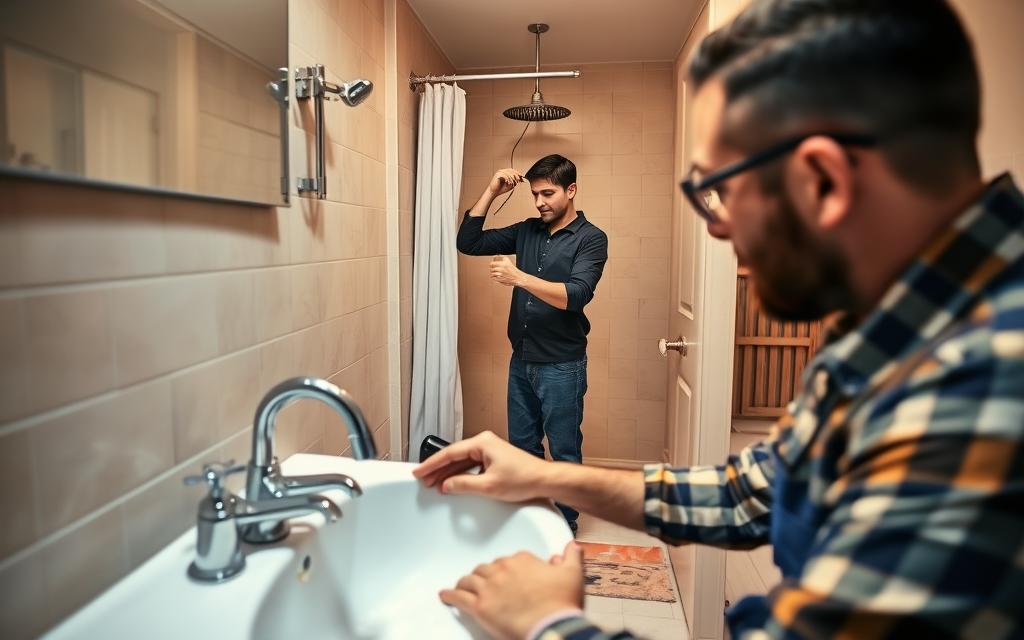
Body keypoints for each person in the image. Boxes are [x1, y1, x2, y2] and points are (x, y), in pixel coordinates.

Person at [417, 0, 1024, 638]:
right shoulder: (896, 332)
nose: (720, 226)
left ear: (824, 177)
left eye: (724, 190)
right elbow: (751, 491)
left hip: (562, 360)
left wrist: (548, 622)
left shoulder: (977, 384)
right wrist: (545, 475)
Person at [456, 154, 609, 535]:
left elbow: (575, 296)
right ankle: (531, 521)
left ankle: (563, 528)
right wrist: (491, 191)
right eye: (535, 194)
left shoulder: (591, 239)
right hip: (521, 359)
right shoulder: (527, 230)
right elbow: (468, 241)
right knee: (523, 447)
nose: (540, 202)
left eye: (548, 193)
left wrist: (519, 277)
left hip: (562, 364)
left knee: (563, 452)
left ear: (570, 190)